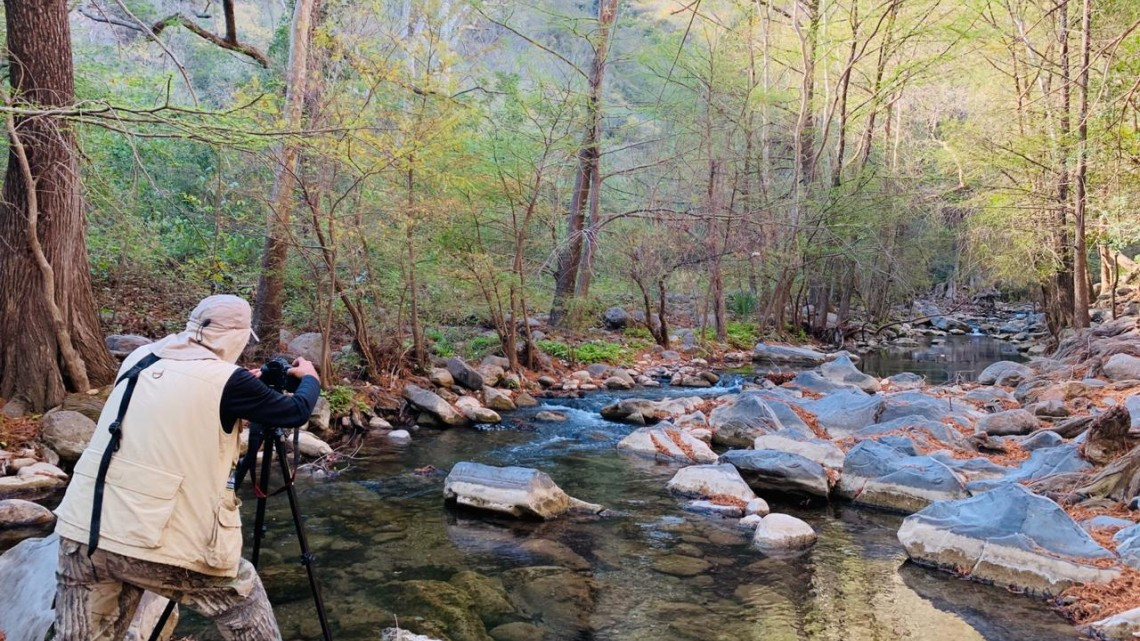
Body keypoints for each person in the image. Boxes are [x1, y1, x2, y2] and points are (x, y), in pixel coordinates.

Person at [51, 295, 321, 641]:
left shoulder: (140, 356)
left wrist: (243, 389)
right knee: (242, 601)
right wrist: (310, 377)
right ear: (236, 336)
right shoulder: (229, 381)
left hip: (82, 528)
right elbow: (296, 411)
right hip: (148, 542)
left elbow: (177, 404)